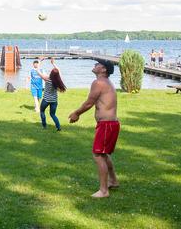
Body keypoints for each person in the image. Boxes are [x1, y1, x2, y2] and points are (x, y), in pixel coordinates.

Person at [69, 60, 120, 198]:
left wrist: (76, 113)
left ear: (103, 69)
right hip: (111, 124)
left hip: (107, 125)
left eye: (97, 64)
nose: (94, 65)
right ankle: (113, 181)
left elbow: (89, 103)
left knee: (98, 155)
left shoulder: (99, 82)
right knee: (103, 154)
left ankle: (103, 191)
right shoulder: (106, 82)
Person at [36, 58, 66, 131]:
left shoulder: (47, 79)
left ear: (51, 74)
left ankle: (44, 126)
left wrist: (40, 62)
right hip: (54, 100)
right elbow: (58, 70)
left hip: (46, 100)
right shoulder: (59, 81)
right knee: (53, 114)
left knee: (42, 111)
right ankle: (58, 127)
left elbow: (37, 71)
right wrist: (53, 63)